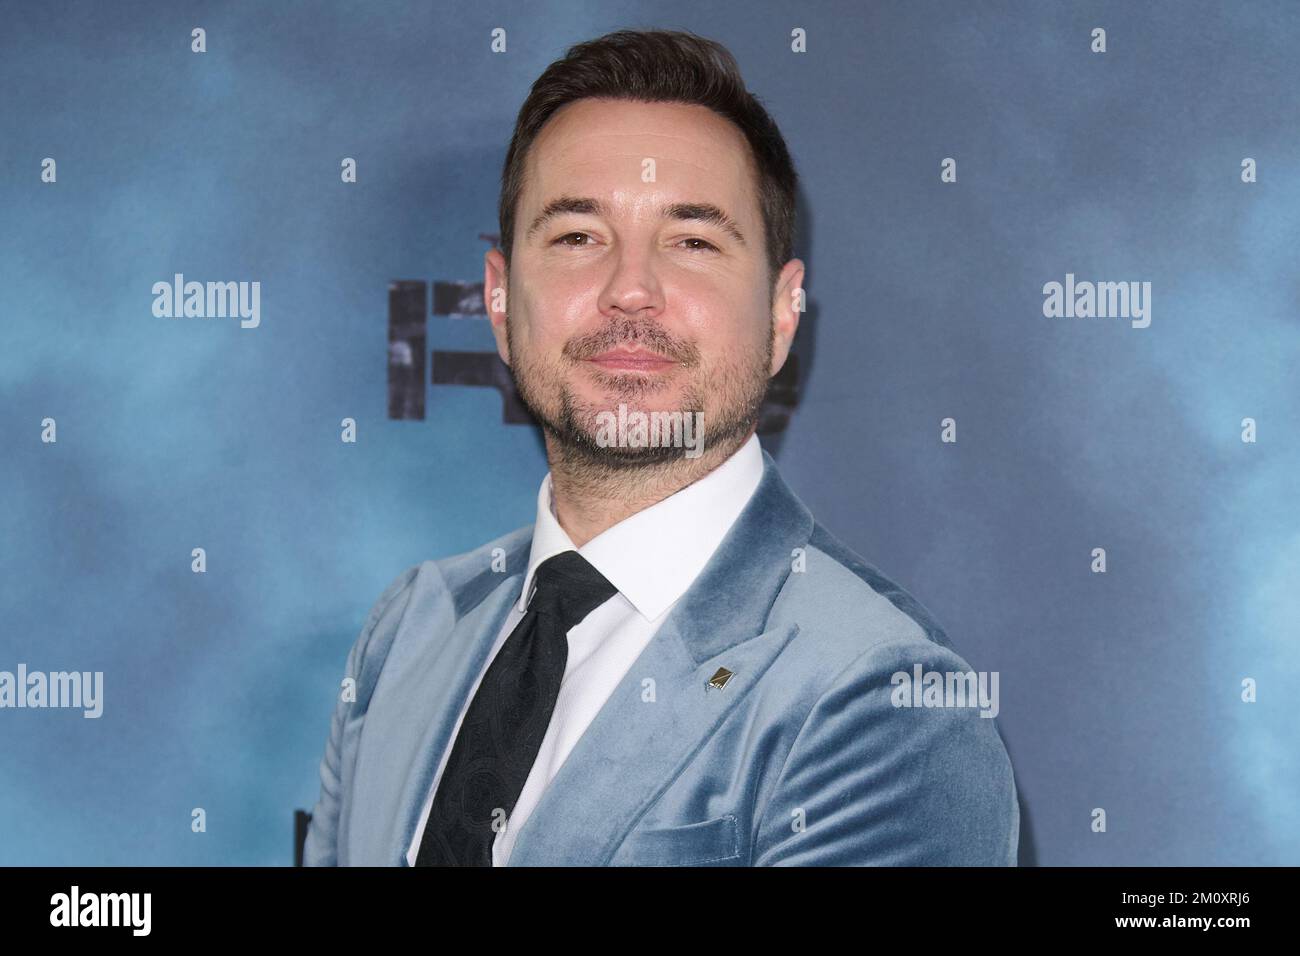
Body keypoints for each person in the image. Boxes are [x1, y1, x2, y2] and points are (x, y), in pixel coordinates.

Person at [304, 28, 1018, 866]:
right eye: (577, 236)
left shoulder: (881, 697)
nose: (630, 289)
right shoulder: (412, 628)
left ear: (782, 315)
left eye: (693, 241)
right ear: (498, 300)